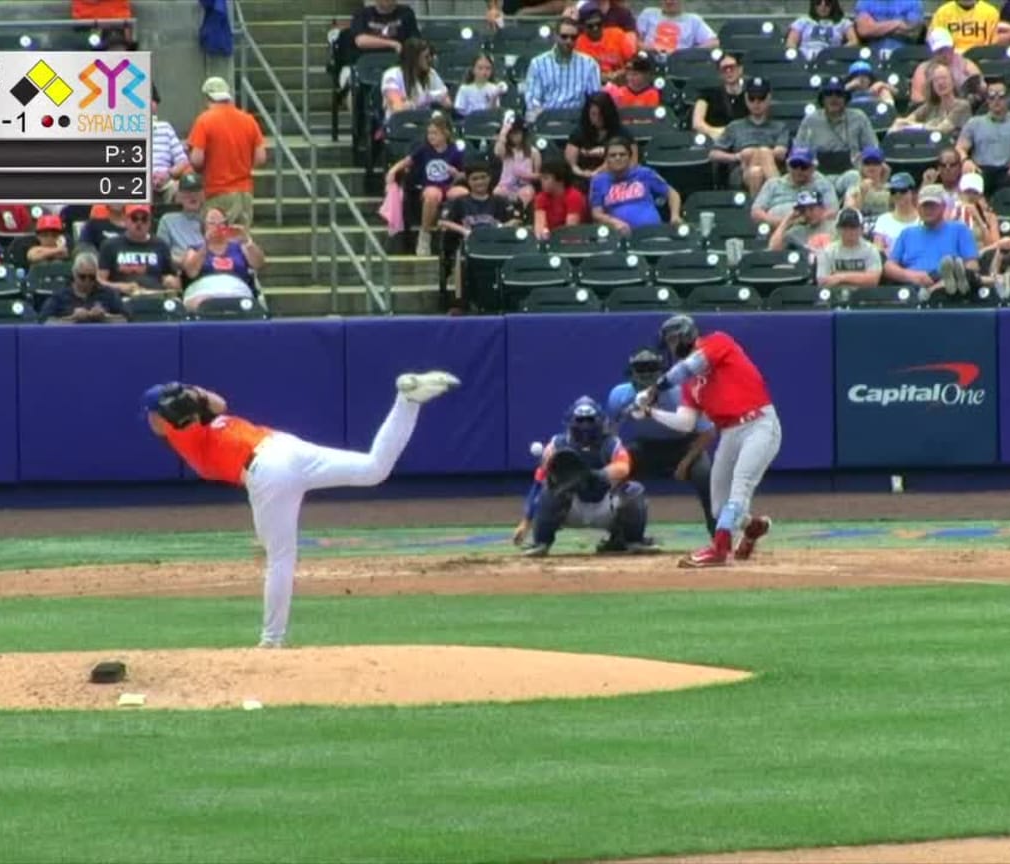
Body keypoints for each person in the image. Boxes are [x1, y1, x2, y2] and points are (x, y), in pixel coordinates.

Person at [143, 371, 460, 647]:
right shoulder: (195, 425)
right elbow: (214, 405)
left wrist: (190, 393)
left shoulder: (181, 431)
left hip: (266, 470)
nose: (150, 420)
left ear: (161, 416)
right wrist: (192, 394)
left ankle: (271, 641)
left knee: (280, 557)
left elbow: (205, 408)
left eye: (151, 414)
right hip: (286, 447)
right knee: (373, 469)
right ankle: (408, 400)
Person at [631, 315, 779, 568]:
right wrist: (651, 413)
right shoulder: (690, 386)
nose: (671, 345)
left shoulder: (717, 342)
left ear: (687, 334)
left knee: (740, 487)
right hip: (730, 432)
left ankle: (720, 549)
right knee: (718, 506)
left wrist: (654, 390)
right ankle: (753, 528)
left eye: (674, 339)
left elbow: (688, 367)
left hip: (759, 424)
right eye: (668, 341)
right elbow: (686, 422)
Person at [514, 396, 655, 556]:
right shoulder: (557, 444)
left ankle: (631, 541)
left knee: (634, 490)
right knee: (548, 489)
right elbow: (539, 482)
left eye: (589, 420)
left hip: (605, 505)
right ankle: (542, 542)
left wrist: (596, 474)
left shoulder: (611, 443)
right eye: (580, 421)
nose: (585, 426)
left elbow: (624, 467)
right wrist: (526, 521)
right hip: (571, 507)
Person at [605, 348, 716, 538]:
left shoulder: (681, 393)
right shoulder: (619, 395)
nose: (646, 374)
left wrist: (686, 463)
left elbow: (708, 431)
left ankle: (718, 534)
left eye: (652, 369)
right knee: (615, 473)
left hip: (684, 447)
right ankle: (620, 535)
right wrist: (613, 459)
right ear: (631, 374)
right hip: (644, 448)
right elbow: (610, 431)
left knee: (705, 475)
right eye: (641, 369)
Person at [438, 158, 518, 308]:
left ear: (489, 178)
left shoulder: (500, 201)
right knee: (460, 255)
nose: (479, 182)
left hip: (496, 247)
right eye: (475, 179)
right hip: (467, 248)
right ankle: (461, 302)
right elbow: (442, 222)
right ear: (468, 181)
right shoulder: (459, 202)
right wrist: (464, 231)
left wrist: (500, 227)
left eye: (483, 177)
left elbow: (516, 221)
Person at [189, 77, 267, 230]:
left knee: (217, 242)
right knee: (240, 243)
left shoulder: (204, 120)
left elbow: (197, 160)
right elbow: (261, 158)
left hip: (218, 193)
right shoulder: (248, 120)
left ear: (207, 97)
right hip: (244, 193)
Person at [386, 115, 467, 256]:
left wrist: (456, 174)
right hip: (431, 186)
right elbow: (406, 161)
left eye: (435, 133)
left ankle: (460, 233)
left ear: (446, 133)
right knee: (432, 195)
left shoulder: (455, 150)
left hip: (449, 186)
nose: (431, 136)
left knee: (462, 193)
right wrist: (392, 171)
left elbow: (465, 175)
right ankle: (425, 235)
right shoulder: (424, 150)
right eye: (429, 133)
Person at [883, 183, 979, 297]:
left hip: (950, 284)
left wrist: (948, 280)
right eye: (924, 206)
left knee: (958, 275)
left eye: (932, 206)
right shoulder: (907, 233)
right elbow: (889, 266)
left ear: (943, 207)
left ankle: (937, 289)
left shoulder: (959, 229)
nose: (928, 210)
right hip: (913, 287)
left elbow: (972, 264)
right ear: (918, 208)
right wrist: (912, 276)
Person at [792, 77, 879, 195]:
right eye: (829, 94)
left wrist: (862, 161)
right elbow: (798, 151)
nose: (834, 98)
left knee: (856, 177)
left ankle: (849, 211)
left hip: (850, 172)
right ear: (822, 98)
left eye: (838, 94)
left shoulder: (859, 118)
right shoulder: (811, 120)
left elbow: (873, 149)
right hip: (818, 175)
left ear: (845, 98)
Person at [712, 78, 792, 198]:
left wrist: (757, 153)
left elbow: (781, 153)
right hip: (741, 170)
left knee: (756, 171)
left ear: (769, 98)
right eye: (752, 98)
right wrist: (737, 156)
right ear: (746, 99)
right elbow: (713, 154)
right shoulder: (735, 126)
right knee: (759, 156)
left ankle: (755, 213)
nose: (756, 103)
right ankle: (781, 195)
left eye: (761, 98)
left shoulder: (779, 126)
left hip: (770, 166)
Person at [590, 135, 681, 233]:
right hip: (620, 235)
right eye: (613, 155)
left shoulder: (644, 173)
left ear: (629, 157)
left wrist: (675, 215)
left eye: (622, 154)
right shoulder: (599, 181)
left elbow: (672, 193)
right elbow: (596, 214)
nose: (618, 158)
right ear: (606, 159)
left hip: (653, 232)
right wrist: (614, 223)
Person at [957, 77, 1010, 187]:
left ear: (1008, 99)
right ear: (987, 100)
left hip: (1009, 170)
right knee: (971, 181)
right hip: (981, 170)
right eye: (991, 97)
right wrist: (965, 160)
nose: (996, 100)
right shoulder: (974, 122)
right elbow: (960, 147)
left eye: (1001, 97)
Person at [181, 208, 266, 305]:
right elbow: (191, 272)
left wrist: (246, 240)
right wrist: (206, 245)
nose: (217, 226)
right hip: (203, 291)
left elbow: (259, 264)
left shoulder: (240, 247)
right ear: (204, 227)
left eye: (221, 223)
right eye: (212, 223)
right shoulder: (195, 249)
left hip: (237, 290)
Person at [523, 18, 602, 122]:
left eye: (573, 37)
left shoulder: (589, 64)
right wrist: (545, 118)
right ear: (555, 36)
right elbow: (532, 99)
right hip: (547, 119)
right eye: (564, 37)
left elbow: (595, 100)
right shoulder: (538, 64)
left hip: (577, 120)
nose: (569, 41)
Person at [96, 204, 181, 295]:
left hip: (155, 296)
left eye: (144, 219)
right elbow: (99, 282)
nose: (139, 223)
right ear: (126, 220)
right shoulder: (110, 245)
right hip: (122, 299)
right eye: (134, 218)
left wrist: (171, 282)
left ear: (149, 222)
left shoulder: (161, 245)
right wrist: (119, 287)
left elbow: (174, 280)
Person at [751, 147, 840, 227]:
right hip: (775, 229)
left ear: (813, 168)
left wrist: (812, 220)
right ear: (788, 166)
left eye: (803, 166)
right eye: (794, 165)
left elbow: (833, 211)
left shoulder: (822, 184)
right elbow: (756, 212)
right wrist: (778, 222)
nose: (798, 170)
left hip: (811, 230)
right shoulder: (773, 184)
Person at [44, 251, 128, 323]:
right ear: (74, 273)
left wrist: (105, 317)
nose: (87, 281)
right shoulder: (60, 296)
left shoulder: (108, 294)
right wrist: (72, 318)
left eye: (92, 277)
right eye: (82, 277)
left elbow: (126, 320)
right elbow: (45, 322)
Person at [892, 63, 973, 135]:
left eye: (944, 78)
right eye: (936, 80)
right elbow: (905, 121)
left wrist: (918, 126)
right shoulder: (931, 106)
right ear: (932, 86)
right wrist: (901, 124)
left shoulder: (962, 106)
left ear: (952, 81)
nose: (940, 83)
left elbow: (942, 130)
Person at [909, 28, 983, 105]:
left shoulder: (966, 64)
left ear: (953, 47)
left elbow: (981, 88)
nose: (944, 54)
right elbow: (917, 99)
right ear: (932, 52)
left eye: (947, 49)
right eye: (939, 51)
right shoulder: (923, 69)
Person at [815, 208, 884, 289]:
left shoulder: (871, 250)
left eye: (853, 227)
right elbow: (822, 281)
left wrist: (840, 277)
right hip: (835, 296)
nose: (849, 232)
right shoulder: (828, 251)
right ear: (838, 229)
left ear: (861, 229)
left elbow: (873, 280)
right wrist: (860, 278)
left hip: (864, 296)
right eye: (844, 227)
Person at [567, 92, 629, 179]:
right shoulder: (579, 131)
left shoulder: (621, 132)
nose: (597, 119)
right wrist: (581, 172)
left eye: (601, 114)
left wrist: (596, 172)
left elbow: (630, 161)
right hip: (581, 176)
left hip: (612, 177)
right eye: (593, 114)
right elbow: (572, 163)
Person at [382, 38, 450, 115]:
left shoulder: (431, 73)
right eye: (426, 57)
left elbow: (447, 103)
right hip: (400, 122)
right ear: (414, 58)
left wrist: (436, 97)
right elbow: (398, 108)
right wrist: (422, 100)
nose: (430, 60)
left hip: (426, 120)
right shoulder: (392, 75)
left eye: (430, 56)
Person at [692, 52, 749, 140]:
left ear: (740, 69)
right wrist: (713, 131)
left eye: (732, 67)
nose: (728, 71)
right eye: (724, 68)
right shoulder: (707, 94)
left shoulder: (750, 96)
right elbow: (697, 123)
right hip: (714, 140)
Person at [576, 5, 638, 81]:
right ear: (583, 26)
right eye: (590, 26)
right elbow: (581, 73)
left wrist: (620, 73)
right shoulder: (579, 44)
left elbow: (634, 61)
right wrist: (601, 77)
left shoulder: (617, 34)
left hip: (621, 81)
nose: (595, 28)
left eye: (598, 24)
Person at [636, 0, 717, 54]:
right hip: (649, 61)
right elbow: (634, 40)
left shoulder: (693, 20)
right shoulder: (648, 14)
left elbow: (714, 42)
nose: (668, 1)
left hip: (680, 63)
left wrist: (690, 53)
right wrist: (646, 48)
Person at [786, 0, 859, 60]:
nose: (823, 6)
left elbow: (854, 41)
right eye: (818, 2)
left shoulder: (843, 22)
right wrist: (798, 57)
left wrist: (838, 53)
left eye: (827, 3)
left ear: (833, 5)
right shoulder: (803, 21)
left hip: (831, 59)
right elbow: (791, 42)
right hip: (804, 58)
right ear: (814, 5)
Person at [493, 115, 540, 206]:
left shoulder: (533, 152)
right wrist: (503, 133)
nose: (514, 136)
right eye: (511, 134)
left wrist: (525, 175)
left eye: (517, 133)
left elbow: (539, 175)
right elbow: (497, 152)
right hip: (505, 186)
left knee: (526, 194)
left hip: (524, 186)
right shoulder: (506, 151)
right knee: (497, 193)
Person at [769, 190, 836, 253]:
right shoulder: (797, 232)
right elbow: (774, 249)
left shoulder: (835, 227)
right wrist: (787, 220)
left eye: (811, 209)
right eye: (803, 210)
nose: (808, 214)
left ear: (822, 208)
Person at [158, 174, 207, 259]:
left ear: (203, 195)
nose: (192, 196)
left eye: (196, 191)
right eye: (187, 192)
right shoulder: (168, 220)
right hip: (180, 265)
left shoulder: (211, 219)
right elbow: (161, 252)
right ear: (178, 196)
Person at [534, 161, 588, 238]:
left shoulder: (574, 196)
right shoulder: (541, 197)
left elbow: (570, 230)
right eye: (541, 177)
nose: (541, 181)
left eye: (546, 178)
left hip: (573, 241)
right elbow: (539, 227)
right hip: (550, 240)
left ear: (560, 180)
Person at [870, 171, 921, 254]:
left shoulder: (922, 219)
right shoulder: (883, 220)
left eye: (902, 190)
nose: (897, 194)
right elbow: (878, 250)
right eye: (893, 191)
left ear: (913, 192)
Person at [854, 0, 927, 54]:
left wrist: (875, 28)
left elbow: (913, 32)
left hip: (905, 56)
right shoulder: (864, 2)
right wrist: (898, 23)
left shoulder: (913, 2)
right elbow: (864, 30)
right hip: (872, 55)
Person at [930, 0, 1001, 51]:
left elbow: (995, 43)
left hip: (982, 57)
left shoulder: (991, 12)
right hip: (950, 57)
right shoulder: (942, 12)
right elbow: (934, 40)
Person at [842, 147, 893, 217]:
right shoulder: (854, 190)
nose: (871, 166)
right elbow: (848, 215)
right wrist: (862, 194)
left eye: (875, 162)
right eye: (867, 163)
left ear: (882, 166)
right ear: (862, 166)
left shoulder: (892, 190)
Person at [956, 172, 1001, 249]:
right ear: (960, 193)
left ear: (980, 195)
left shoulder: (989, 217)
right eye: (968, 192)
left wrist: (979, 219)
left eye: (975, 193)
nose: (971, 196)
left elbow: (994, 246)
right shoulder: (952, 212)